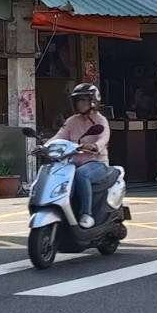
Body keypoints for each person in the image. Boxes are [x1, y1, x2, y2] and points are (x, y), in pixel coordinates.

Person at [51, 82, 110, 230]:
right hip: (73, 162)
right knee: (57, 173)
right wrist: (45, 146)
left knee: (81, 174)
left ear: (93, 101)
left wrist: (95, 146)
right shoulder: (72, 121)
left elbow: (104, 138)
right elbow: (59, 136)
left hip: (97, 162)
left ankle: (86, 214)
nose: (80, 104)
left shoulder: (100, 120)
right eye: (78, 100)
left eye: (84, 100)